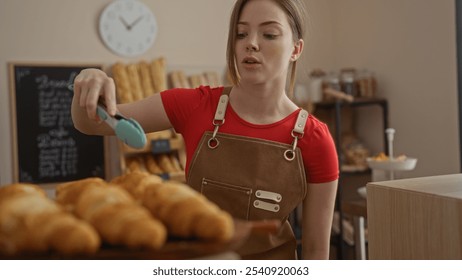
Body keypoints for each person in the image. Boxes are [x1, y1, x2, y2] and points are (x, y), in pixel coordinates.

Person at [71, 0, 338, 260]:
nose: (251, 43)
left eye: (269, 34)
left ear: (295, 48)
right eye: (241, 33)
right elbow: (90, 123)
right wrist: (89, 80)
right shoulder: (195, 105)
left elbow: (316, 251)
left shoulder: (315, 138)